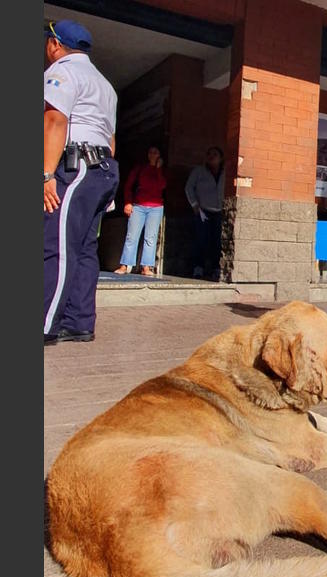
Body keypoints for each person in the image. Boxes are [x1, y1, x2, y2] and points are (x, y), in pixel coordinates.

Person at [43, 20, 119, 346]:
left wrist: (46, 174)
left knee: (56, 245)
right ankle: (78, 323)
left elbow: (54, 120)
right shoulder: (105, 85)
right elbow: (111, 139)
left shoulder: (63, 71)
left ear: (55, 44)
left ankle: (44, 324)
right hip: (103, 169)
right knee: (86, 249)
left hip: (77, 167)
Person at [114, 145, 166, 276]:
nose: (152, 155)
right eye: (150, 152)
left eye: (155, 152)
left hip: (156, 207)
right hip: (138, 205)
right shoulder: (140, 168)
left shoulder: (162, 169)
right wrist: (128, 202)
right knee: (132, 236)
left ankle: (146, 267)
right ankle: (125, 265)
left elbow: (162, 185)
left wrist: (158, 169)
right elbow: (128, 185)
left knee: (151, 237)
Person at [185, 146, 225, 280]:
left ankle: (216, 269)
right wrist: (194, 204)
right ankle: (198, 268)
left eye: (215, 154)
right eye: (209, 154)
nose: (211, 157)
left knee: (217, 241)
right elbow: (189, 187)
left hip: (220, 212)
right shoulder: (199, 171)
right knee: (201, 240)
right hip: (203, 211)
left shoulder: (225, 173)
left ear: (221, 158)